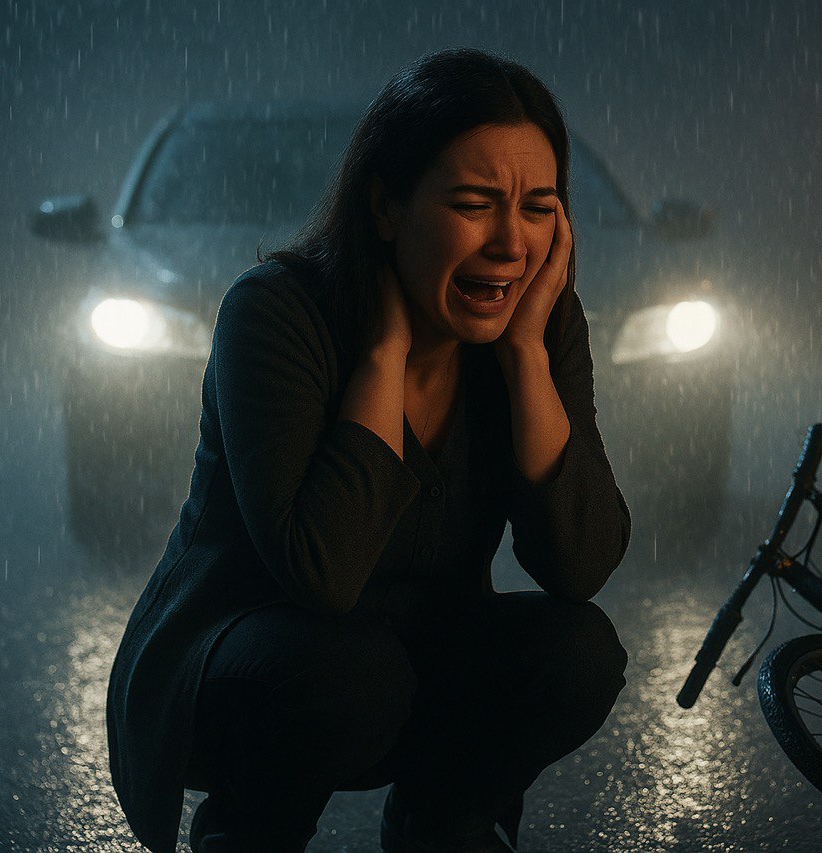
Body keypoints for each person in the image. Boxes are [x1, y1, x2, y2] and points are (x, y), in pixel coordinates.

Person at [106, 48, 631, 852]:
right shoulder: (276, 314)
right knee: (351, 674)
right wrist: (384, 356)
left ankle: (443, 822)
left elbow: (581, 562)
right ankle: (249, 828)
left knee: (579, 651)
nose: (509, 243)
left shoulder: (539, 324)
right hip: (247, 662)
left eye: (538, 207)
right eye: (474, 202)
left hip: (410, 659)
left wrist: (527, 357)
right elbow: (324, 572)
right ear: (385, 205)